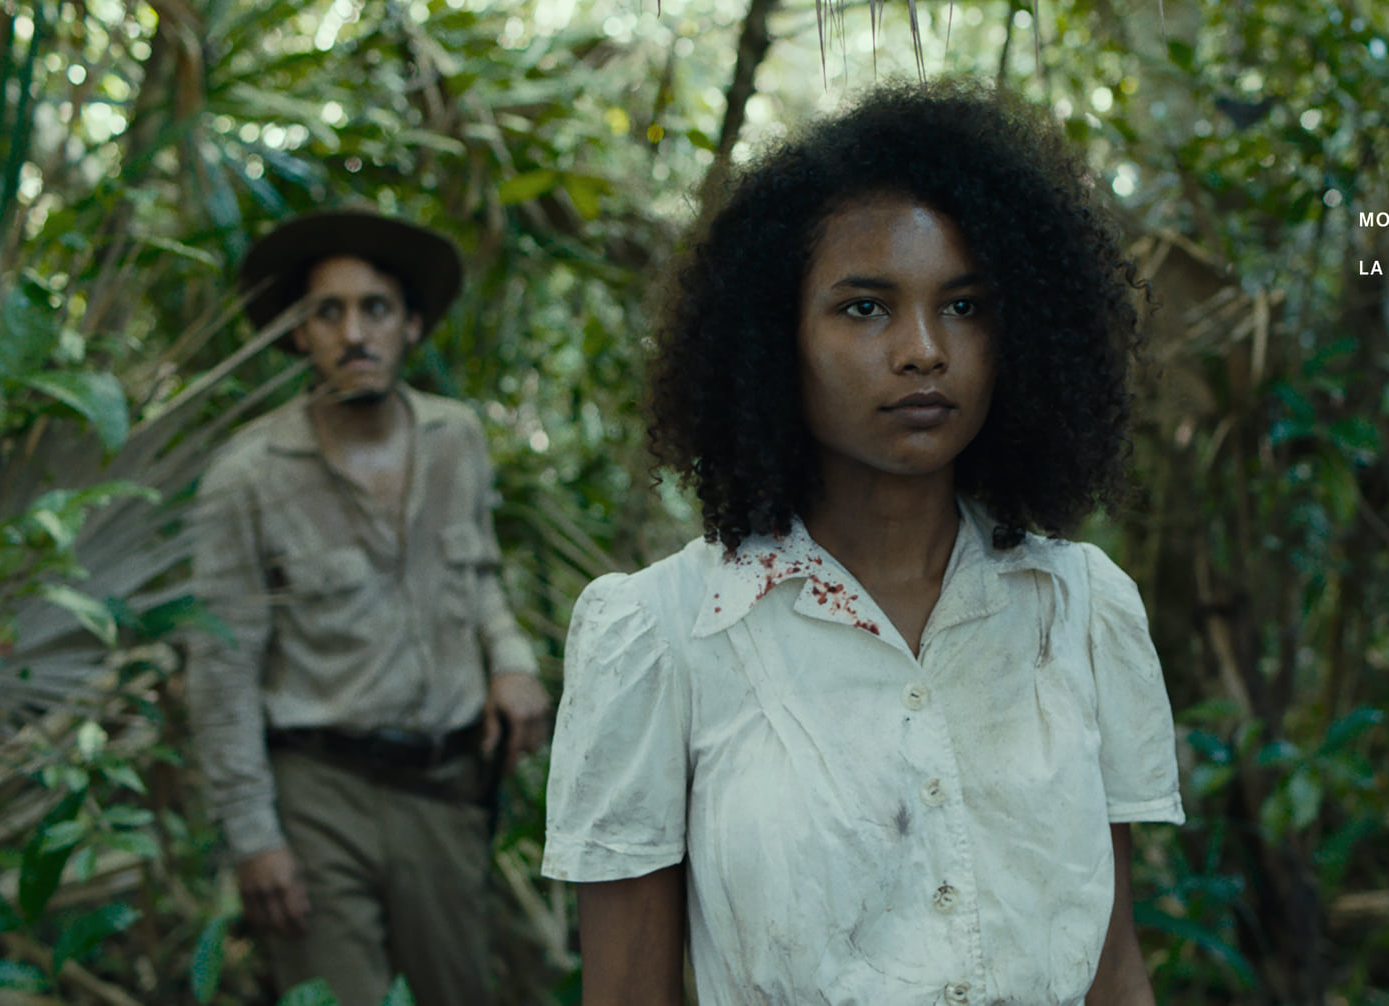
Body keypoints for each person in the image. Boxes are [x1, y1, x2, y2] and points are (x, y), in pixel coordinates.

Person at [541, 80, 1183, 1005]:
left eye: (965, 306)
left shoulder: (1080, 610)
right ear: (774, 339)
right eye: (864, 308)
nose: (923, 349)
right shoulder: (661, 635)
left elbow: (1113, 971)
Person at [186, 209, 550, 1006]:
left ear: (411, 325)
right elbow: (220, 670)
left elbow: (480, 578)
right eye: (329, 312)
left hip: (444, 789)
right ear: (299, 334)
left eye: (375, 309)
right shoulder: (247, 476)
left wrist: (512, 662)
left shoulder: (456, 439)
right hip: (319, 794)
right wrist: (253, 838)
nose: (354, 333)